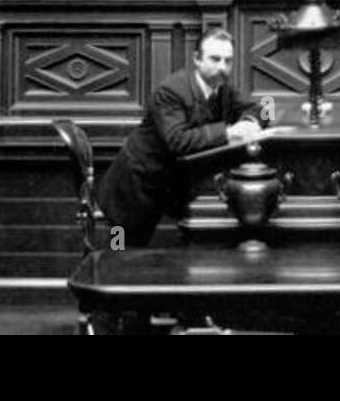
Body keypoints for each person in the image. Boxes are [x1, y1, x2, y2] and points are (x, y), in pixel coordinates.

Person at [96, 28, 263, 247]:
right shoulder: (171, 91)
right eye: (215, 59)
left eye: (228, 61)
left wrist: (250, 122)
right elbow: (178, 140)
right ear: (197, 59)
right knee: (119, 252)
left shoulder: (221, 88)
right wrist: (229, 132)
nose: (222, 67)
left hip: (171, 184)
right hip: (137, 184)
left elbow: (261, 107)